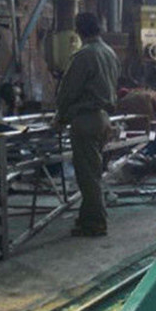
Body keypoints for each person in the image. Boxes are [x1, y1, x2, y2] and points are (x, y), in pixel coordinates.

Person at [54, 12, 120, 236]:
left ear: (79, 30)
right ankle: (86, 218)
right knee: (93, 172)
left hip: (86, 119)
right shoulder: (109, 52)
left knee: (88, 176)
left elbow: (68, 90)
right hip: (104, 119)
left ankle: (96, 222)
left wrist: (60, 115)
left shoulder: (84, 55)